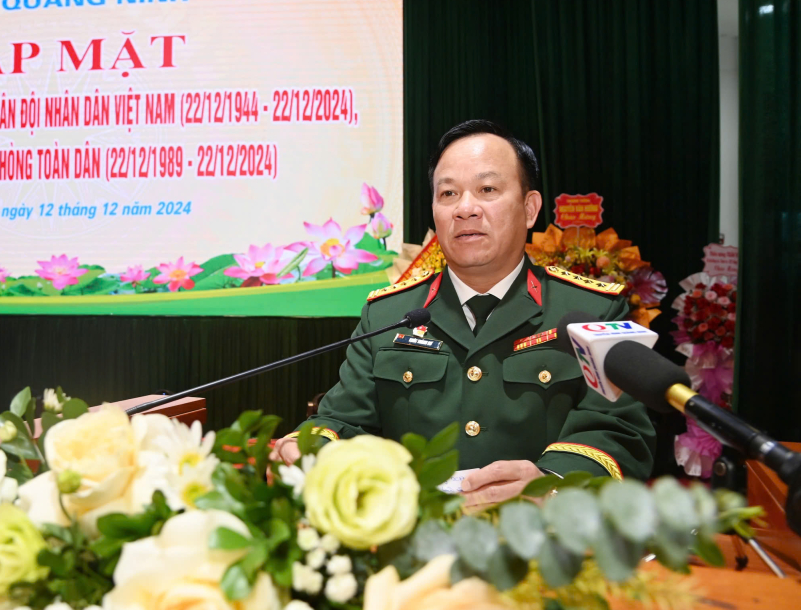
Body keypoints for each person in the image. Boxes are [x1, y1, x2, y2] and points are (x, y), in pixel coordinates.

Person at [272, 120, 655, 505]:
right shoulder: (389, 313)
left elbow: (617, 429)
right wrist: (307, 447)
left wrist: (549, 482)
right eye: (448, 194)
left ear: (529, 208)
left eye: (487, 189)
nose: (465, 209)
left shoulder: (593, 309)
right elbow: (343, 420)